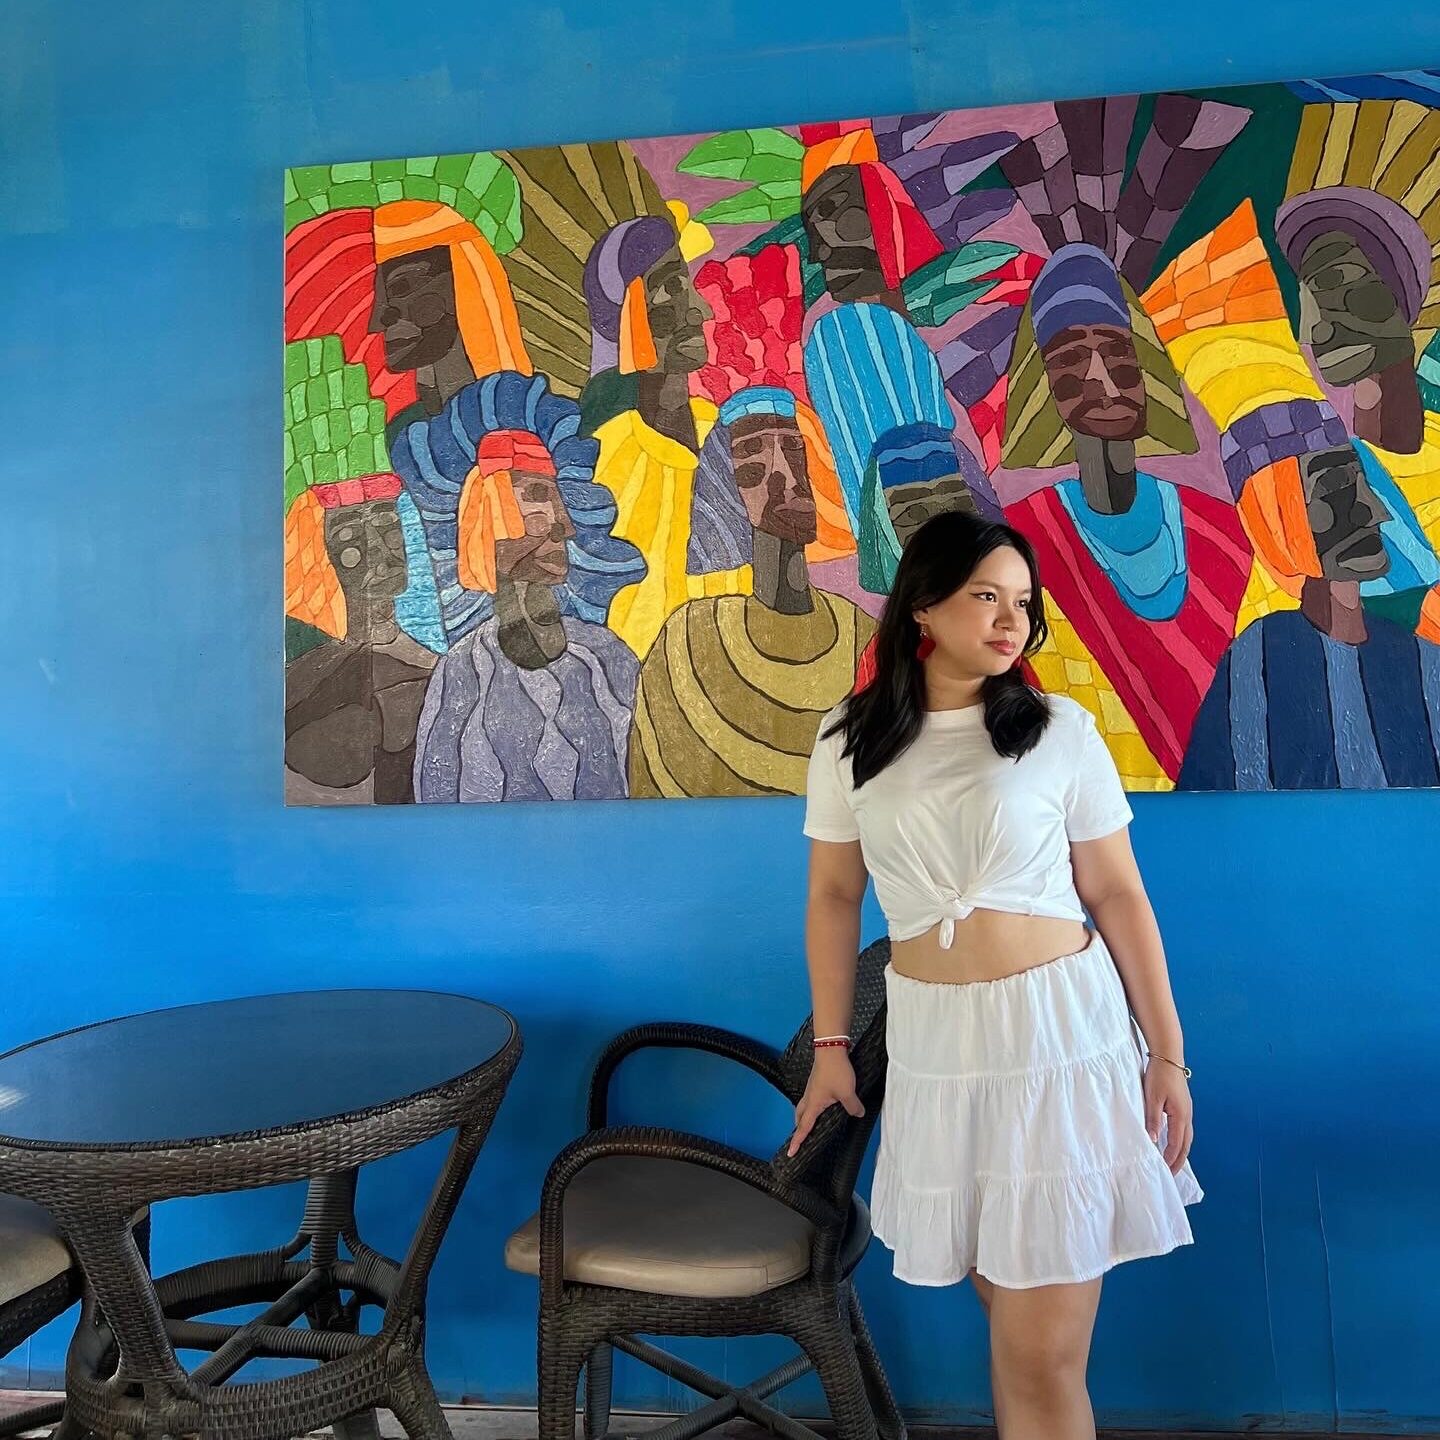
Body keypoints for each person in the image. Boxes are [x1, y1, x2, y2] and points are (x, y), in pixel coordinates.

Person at [791, 510, 1201, 1440]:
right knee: (1014, 1339)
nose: (1012, 620)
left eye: (1023, 602)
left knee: (1039, 1360)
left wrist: (1168, 1055)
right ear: (923, 607)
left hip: (1056, 1047)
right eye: (986, 596)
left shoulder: (1059, 731)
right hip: (938, 1052)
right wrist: (831, 1047)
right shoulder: (849, 739)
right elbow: (833, 897)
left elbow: (1118, 894)